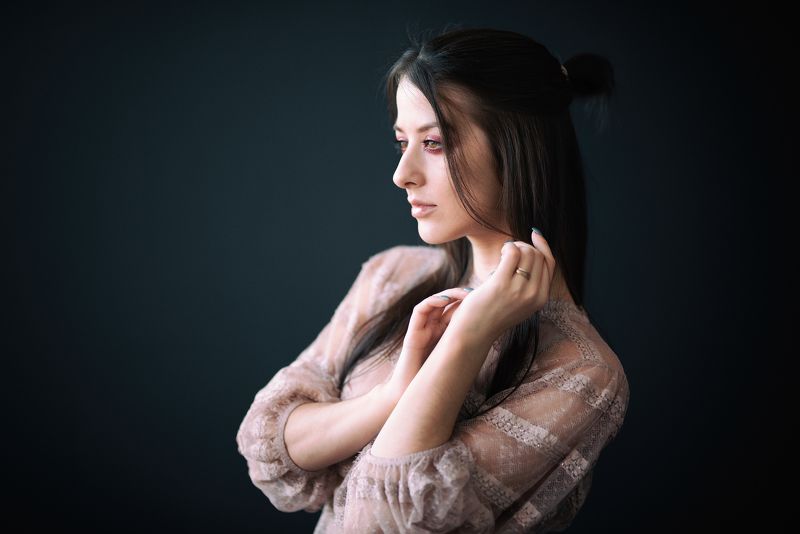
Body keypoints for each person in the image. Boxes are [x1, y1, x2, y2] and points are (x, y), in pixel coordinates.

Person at [236, 25, 629, 533]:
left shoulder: (584, 373)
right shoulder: (392, 275)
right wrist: (394, 394)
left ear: (517, 146)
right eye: (402, 142)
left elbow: (383, 521)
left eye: (435, 143)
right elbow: (271, 445)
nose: (403, 173)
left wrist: (468, 336)